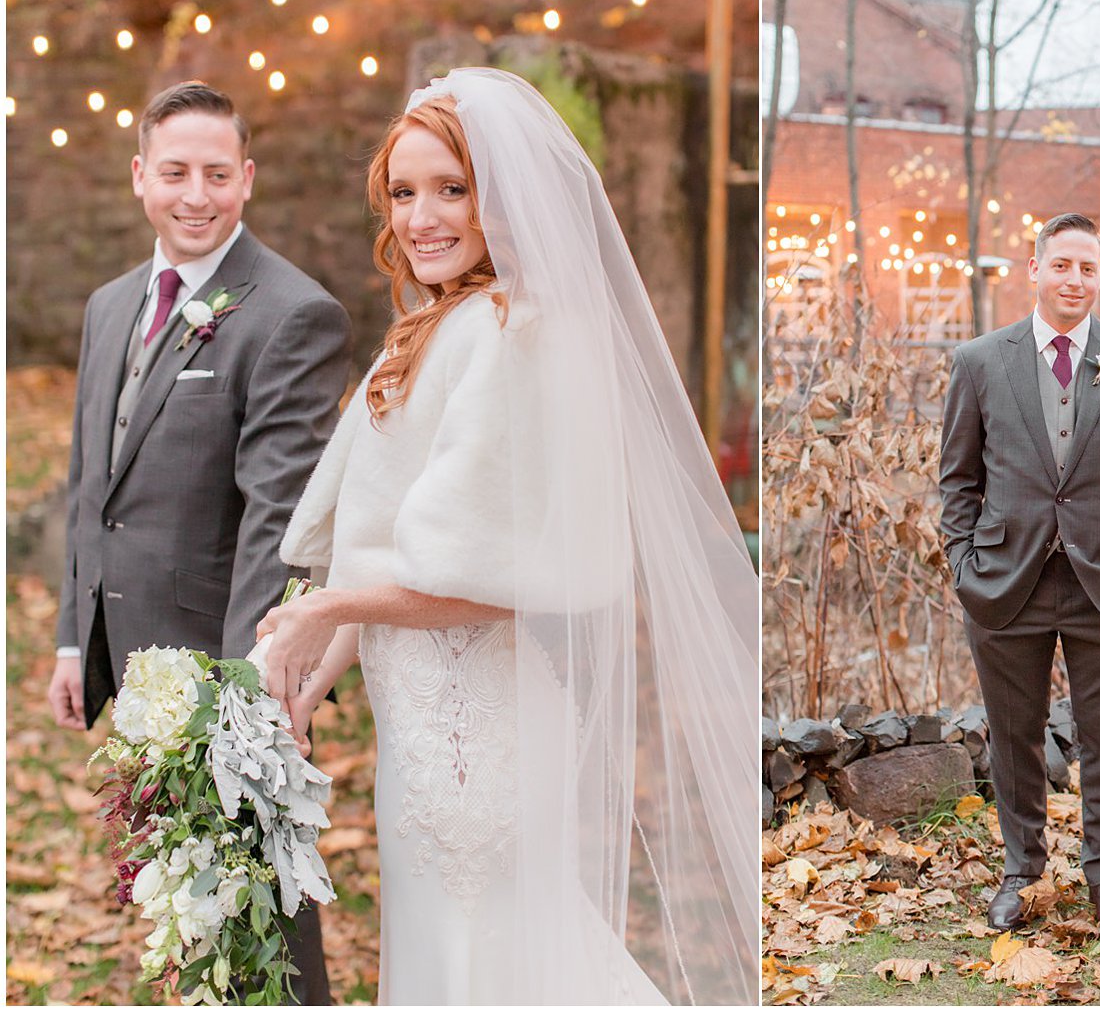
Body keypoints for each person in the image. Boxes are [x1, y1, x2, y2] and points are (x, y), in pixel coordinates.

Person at [257, 67, 759, 1004]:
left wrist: (324, 606)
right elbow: (383, 545)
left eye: (453, 189)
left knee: (488, 967)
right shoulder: (431, 324)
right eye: (404, 192)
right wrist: (300, 672)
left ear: (504, 200)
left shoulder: (516, 331)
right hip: (423, 729)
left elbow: (493, 575)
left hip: (475, 737)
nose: (422, 217)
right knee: (448, 964)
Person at [49, 80, 350, 1003]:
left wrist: (243, 696)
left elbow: (278, 515)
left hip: (226, 673)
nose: (196, 193)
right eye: (175, 171)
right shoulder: (110, 305)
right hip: (134, 660)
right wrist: (74, 637)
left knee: (264, 918)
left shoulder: (291, 313)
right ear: (140, 177)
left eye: (217, 173)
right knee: (185, 904)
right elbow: (89, 484)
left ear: (247, 178)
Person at [938, 212, 1100, 933]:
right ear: (1034, 268)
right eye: (1062, 264)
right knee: (1014, 735)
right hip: (1006, 582)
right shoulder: (980, 360)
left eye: (1088, 267)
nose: (1075, 278)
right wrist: (963, 566)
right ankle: (1022, 869)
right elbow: (957, 479)